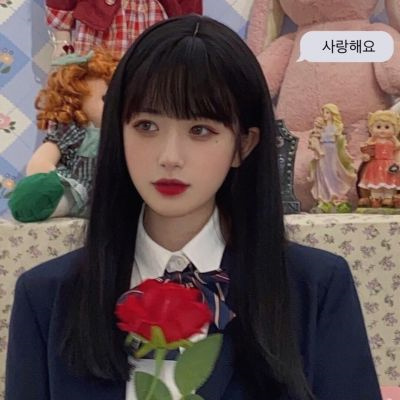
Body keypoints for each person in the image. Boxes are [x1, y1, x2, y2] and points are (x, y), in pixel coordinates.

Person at [5, 15, 381, 400]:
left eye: (200, 130)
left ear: (244, 145)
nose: (170, 157)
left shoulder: (316, 287)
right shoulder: (45, 297)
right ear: (118, 131)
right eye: (146, 126)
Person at [308, 103, 356, 212]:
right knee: (322, 172)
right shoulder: (321, 127)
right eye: (324, 113)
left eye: (327, 112)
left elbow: (341, 141)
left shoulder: (337, 127)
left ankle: (336, 195)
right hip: (323, 152)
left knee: (334, 172)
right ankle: (324, 197)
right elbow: (314, 138)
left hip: (333, 152)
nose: (325, 115)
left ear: (333, 114)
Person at [358, 110, 400, 208]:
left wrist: (398, 162)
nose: (382, 130)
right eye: (378, 127)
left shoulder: (393, 142)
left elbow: (397, 150)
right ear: (371, 128)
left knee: (389, 181)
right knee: (375, 182)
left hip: (389, 165)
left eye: (387, 127)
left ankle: (388, 197)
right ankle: (376, 198)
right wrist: (366, 157)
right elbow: (368, 152)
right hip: (375, 165)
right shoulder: (372, 142)